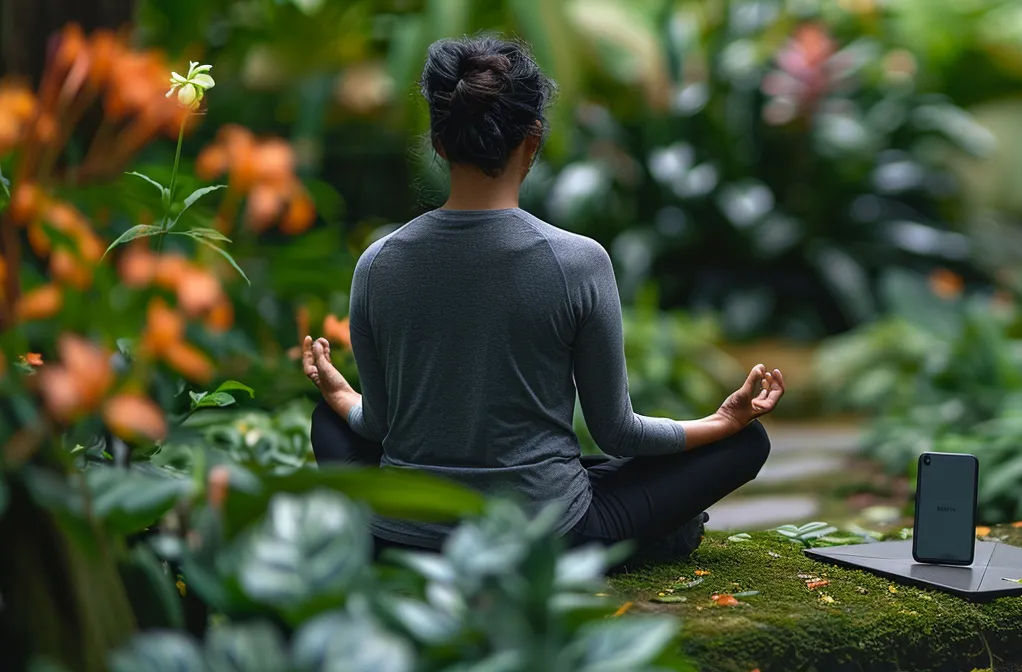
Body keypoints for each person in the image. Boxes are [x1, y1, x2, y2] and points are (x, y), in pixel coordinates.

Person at [301, 34, 782, 563]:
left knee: (329, 421)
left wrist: (338, 391)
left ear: (439, 143)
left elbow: (376, 426)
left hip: (403, 532)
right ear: (532, 140)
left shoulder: (378, 262)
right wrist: (723, 423)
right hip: (545, 529)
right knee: (744, 446)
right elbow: (618, 432)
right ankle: (659, 533)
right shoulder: (578, 260)